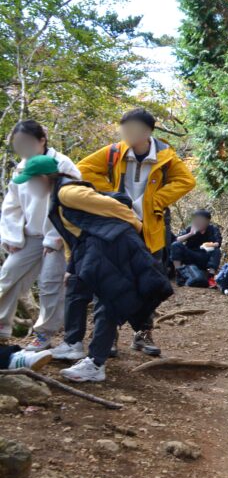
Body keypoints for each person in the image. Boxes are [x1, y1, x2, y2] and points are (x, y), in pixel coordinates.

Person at [12, 155, 173, 383]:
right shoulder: (55, 197)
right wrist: (71, 266)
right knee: (75, 288)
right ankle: (72, 344)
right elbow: (71, 235)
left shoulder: (68, 193)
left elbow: (116, 207)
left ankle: (96, 363)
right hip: (91, 250)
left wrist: (136, 230)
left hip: (113, 248)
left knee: (109, 301)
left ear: (44, 178)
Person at [76, 108, 195, 356]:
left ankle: (143, 334)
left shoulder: (166, 156)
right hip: (116, 226)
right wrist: (111, 195)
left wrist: (155, 201)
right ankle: (107, 336)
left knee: (148, 283)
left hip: (150, 228)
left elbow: (186, 181)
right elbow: (82, 169)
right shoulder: (113, 152)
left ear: (148, 132)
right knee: (107, 279)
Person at [0, 121, 80, 348]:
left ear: (42, 140)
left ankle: (44, 334)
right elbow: (11, 205)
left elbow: (71, 203)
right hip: (30, 235)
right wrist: (12, 237)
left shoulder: (63, 164)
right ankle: (1, 327)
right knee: (8, 275)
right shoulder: (20, 168)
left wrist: (55, 238)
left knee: (50, 284)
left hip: (58, 236)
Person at [170, 209, 223, 284]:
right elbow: (177, 240)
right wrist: (190, 234)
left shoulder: (213, 229)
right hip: (191, 255)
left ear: (207, 221)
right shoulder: (190, 228)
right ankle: (179, 273)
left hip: (204, 256)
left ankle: (211, 277)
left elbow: (218, 243)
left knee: (216, 250)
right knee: (175, 245)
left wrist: (209, 245)